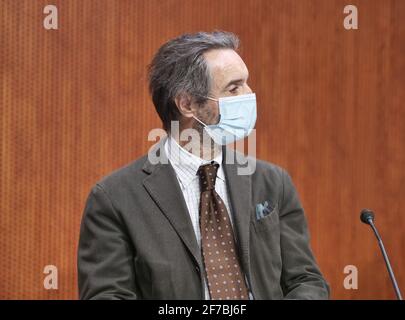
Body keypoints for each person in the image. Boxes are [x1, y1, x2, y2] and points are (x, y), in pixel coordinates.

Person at [77, 31, 330, 300]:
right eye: (234, 88)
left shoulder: (272, 182)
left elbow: (306, 280)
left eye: (247, 83)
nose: (250, 94)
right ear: (187, 104)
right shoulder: (114, 198)